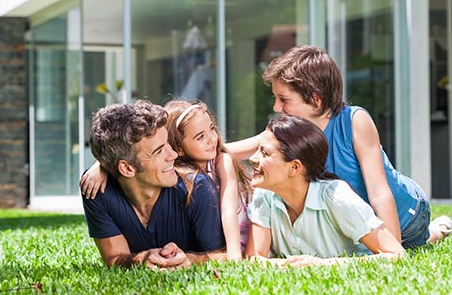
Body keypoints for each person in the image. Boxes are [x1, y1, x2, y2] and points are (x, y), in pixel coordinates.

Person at [228, 45, 452, 248]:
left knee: (408, 244)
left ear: (315, 99)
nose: (277, 107)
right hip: (360, 221)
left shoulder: (354, 121)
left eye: (284, 99)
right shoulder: (291, 132)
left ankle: (433, 231)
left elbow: (379, 193)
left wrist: (392, 247)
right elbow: (237, 149)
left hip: (407, 215)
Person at [81, 100, 253, 260]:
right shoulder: (95, 188)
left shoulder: (197, 185)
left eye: (168, 143)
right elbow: (114, 258)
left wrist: (190, 261)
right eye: (158, 151)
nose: (173, 155)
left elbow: (225, 256)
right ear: (126, 168)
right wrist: (142, 259)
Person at [245, 115, 405, 266]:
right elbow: (254, 258)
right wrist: (284, 265)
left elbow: (397, 255)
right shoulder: (265, 194)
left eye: (264, 153)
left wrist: (323, 264)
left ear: (294, 167)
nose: (253, 158)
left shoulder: (337, 197)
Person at [164, 100, 253, 260]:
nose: (211, 139)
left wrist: (234, 256)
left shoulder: (222, 161)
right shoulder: (178, 175)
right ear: (179, 149)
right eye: (200, 137)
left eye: (211, 128)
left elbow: (228, 210)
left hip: (238, 242)